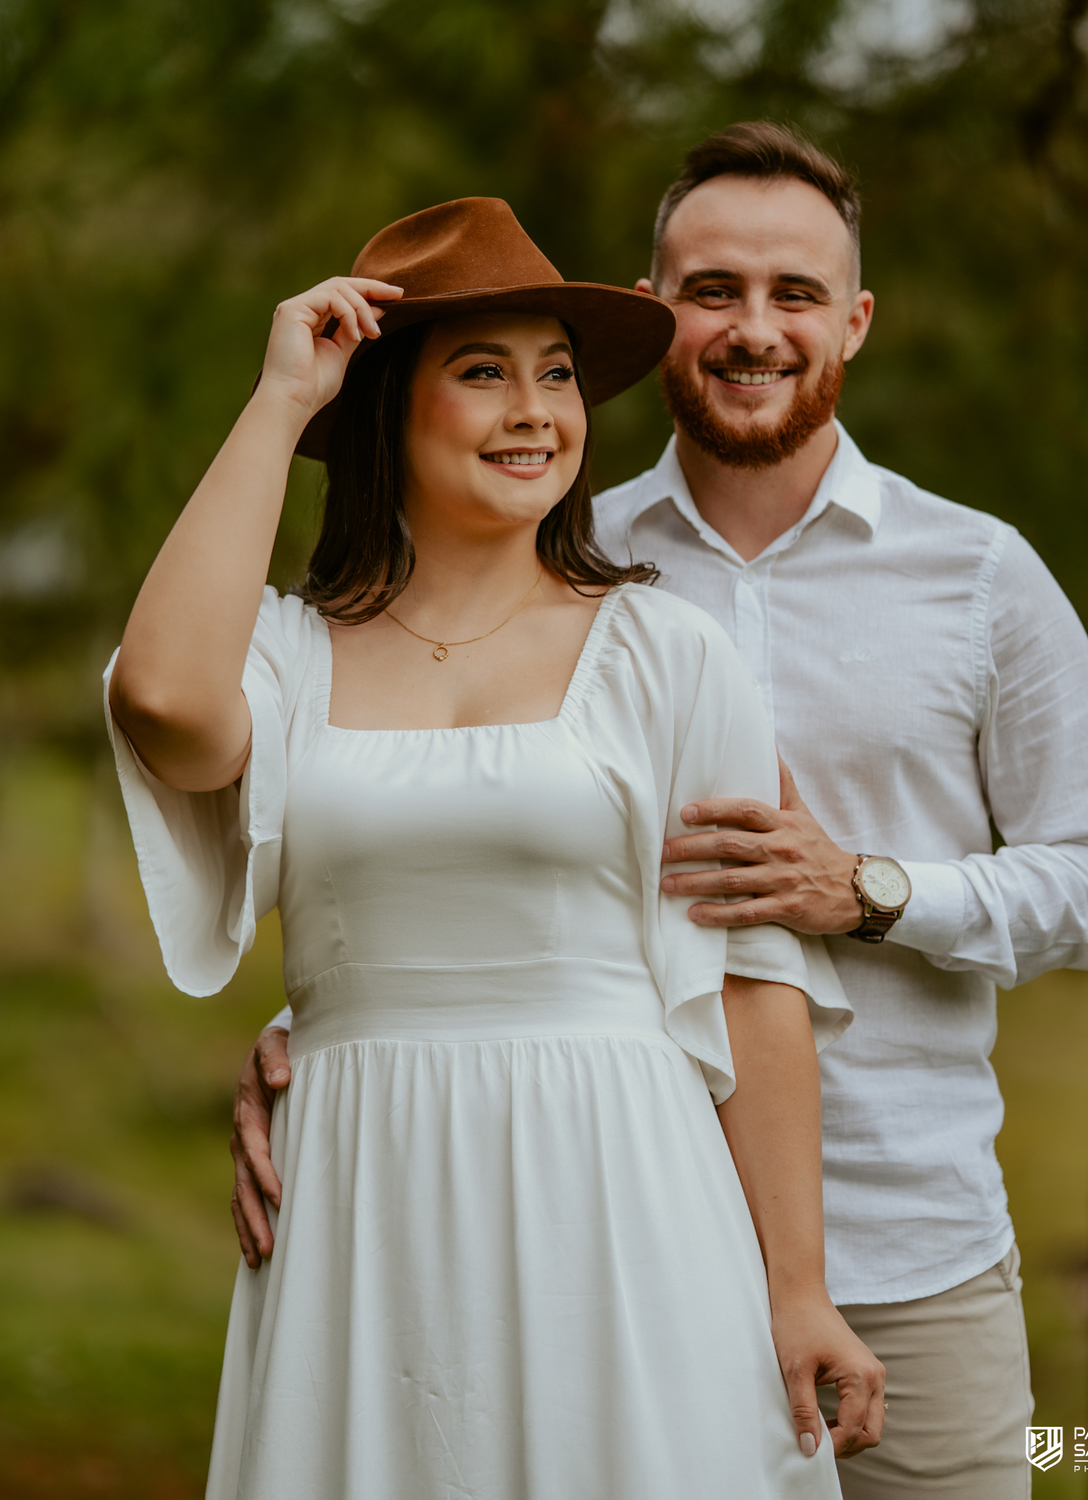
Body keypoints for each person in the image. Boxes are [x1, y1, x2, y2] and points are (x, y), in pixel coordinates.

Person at [230, 126, 1088, 1498]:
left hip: (910, 1245)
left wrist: (875, 891)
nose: (755, 328)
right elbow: (469, 831)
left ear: (856, 321)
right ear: (658, 309)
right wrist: (332, 1012)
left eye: (796, 294)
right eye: (714, 288)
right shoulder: (546, 548)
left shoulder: (980, 574)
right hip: (606, 1251)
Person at [105, 196, 883, 1500]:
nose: (537, 412)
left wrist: (799, 1291)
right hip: (367, 1189)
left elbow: (753, 979)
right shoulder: (287, 660)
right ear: (386, 410)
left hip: (620, 1182)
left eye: (559, 376)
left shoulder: (664, 652)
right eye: (484, 374)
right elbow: (166, 707)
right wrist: (282, 401)